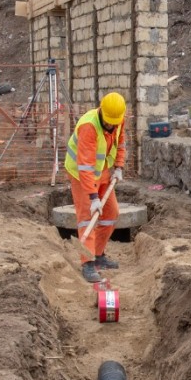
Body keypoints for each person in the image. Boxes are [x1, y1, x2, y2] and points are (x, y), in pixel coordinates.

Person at [65, 91, 127, 283]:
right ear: (102, 112)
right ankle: (87, 263)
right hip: (81, 173)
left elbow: (121, 142)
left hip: (103, 170)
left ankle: (98, 256)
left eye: (114, 123)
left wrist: (118, 166)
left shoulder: (118, 120)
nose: (111, 126)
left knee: (111, 214)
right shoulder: (89, 126)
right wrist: (93, 198)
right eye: (108, 122)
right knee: (87, 219)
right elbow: (85, 167)